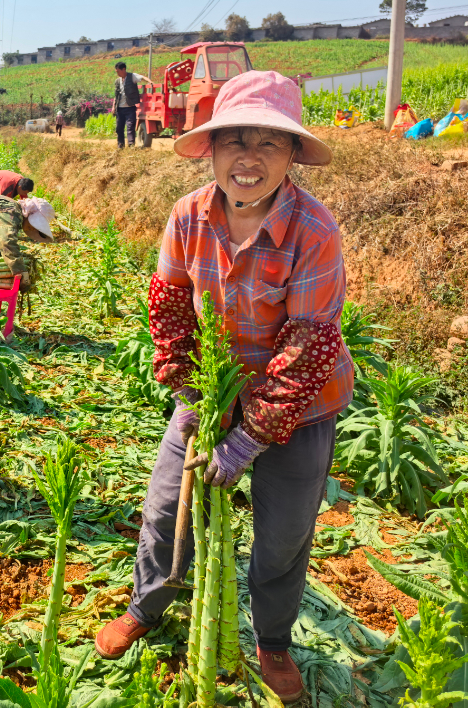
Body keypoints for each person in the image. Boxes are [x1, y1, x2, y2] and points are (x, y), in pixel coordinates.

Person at [93, 71, 353, 704]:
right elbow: (171, 308)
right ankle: (148, 606)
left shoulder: (314, 232)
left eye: (269, 142)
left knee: (284, 534)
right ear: (210, 150)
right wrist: (193, 391)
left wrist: (245, 444)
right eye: (234, 140)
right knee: (164, 510)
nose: (249, 158)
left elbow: (305, 348)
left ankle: (272, 642)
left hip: (299, 402)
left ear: (292, 156)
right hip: (211, 387)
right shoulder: (187, 217)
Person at [112, 62, 151, 148]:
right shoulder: (117, 81)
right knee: (119, 128)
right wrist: (113, 107)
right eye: (116, 72)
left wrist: (150, 82)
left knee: (130, 127)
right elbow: (116, 95)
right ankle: (120, 145)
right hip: (120, 108)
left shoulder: (132, 76)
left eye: (118, 71)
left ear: (124, 69)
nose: (117, 73)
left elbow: (142, 77)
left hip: (130, 108)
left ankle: (131, 145)